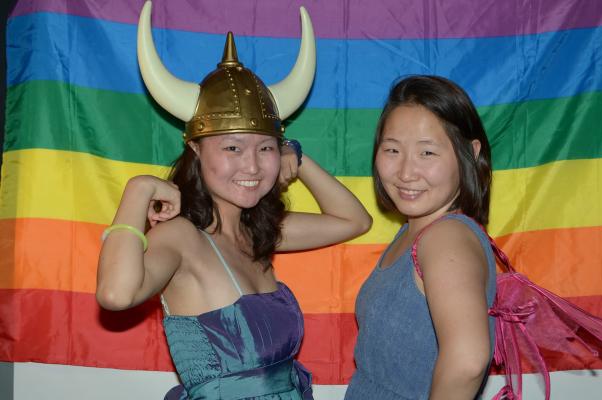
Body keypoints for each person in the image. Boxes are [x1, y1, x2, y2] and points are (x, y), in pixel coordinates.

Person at [96, 2, 371, 400]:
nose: (253, 166)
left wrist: (298, 154)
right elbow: (115, 296)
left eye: (266, 149)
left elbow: (353, 221)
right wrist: (138, 190)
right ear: (194, 149)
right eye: (232, 147)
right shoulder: (180, 237)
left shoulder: (257, 231)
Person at [345, 75, 497, 400]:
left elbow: (468, 360)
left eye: (427, 153)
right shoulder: (415, 231)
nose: (405, 172)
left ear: (469, 154)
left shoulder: (447, 237)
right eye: (392, 150)